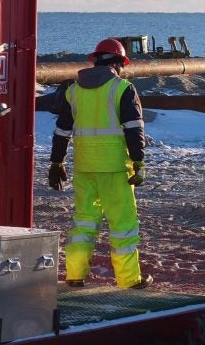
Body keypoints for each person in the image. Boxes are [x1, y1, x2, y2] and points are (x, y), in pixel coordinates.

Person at [48, 38, 153, 289]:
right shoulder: (122, 88)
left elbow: (62, 131)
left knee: (84, 221)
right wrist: (139, 162)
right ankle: (129, 280)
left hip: (84, 168)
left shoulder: (73, 90)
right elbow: (133, 129)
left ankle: (74, 275)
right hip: (115, 168)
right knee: (123, 226)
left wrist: (56, 162)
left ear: (95, 60)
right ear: (118, 63)